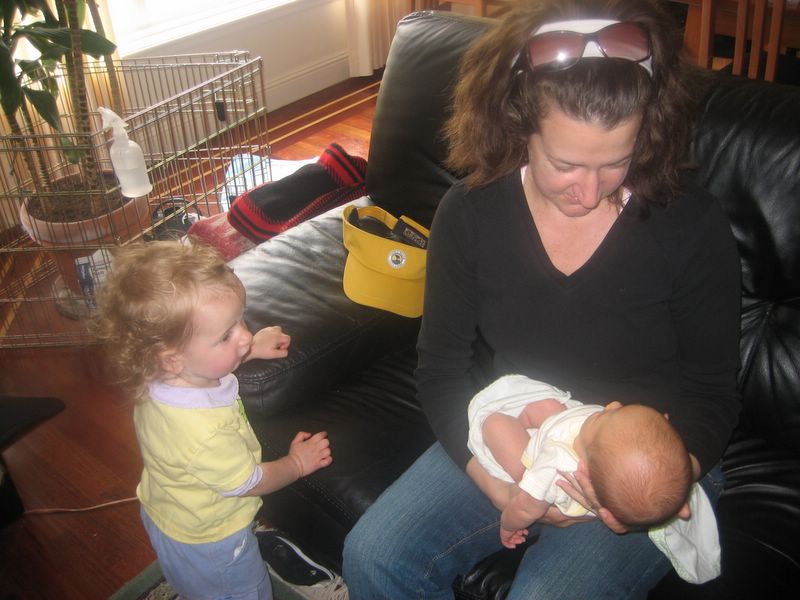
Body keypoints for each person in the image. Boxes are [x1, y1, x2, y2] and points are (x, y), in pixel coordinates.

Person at [342, 1, 741, 598]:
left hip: (641, 458)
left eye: (617, 162)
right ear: (517, 124)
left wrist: (667, 480)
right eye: (565, 164)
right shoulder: (470, 214)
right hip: (517, 428)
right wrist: (500, 485)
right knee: (373, 555)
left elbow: (713, 391)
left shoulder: (689, 224)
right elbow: (441, 371)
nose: (590, 190)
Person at [94, 239, 333, 600]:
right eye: (227, 335)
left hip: (169, 510)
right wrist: (297, 464)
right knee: (244, 591)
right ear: (171, 359)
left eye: (240, 320)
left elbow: (201, 364)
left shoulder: (160, 373)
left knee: (193, 582)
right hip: (212, 540)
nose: (245, 335)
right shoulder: (204, 432)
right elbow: (250, 481)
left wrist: (249, 349)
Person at [467, 375, 692, 549]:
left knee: (494, 424)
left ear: (584, 466)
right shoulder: (606, 442)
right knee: (549, 407)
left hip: (537, 470)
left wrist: (508, 525)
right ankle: (539, 422)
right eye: (620, 410)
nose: (613, 405)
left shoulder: (556, 465)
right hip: (569, 436)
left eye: (604, 416)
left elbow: (525, 509)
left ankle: (521, 469)